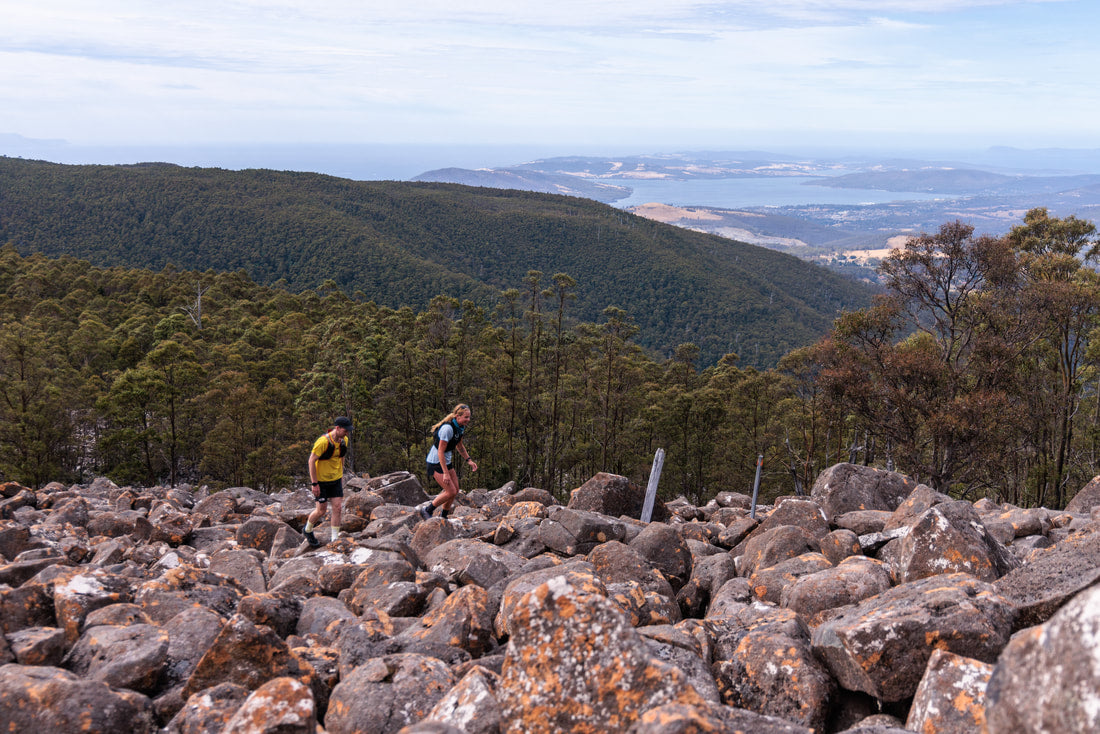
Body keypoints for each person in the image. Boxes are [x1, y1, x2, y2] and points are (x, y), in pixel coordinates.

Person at [417, 403, 477, 520]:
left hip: (446, 461)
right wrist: (445, 473)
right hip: (436, 462)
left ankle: (443, 516)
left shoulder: (460, 428)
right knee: (450, 492)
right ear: (457, 416)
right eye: (466, 417)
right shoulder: (447, 429)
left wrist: (469, 460)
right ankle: (427, 510)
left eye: (469, 417)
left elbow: (459, 446)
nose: (468, 420)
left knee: (455, 491)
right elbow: (440, 451)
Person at [304, 416, 352, 546]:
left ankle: (334, 539)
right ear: (337, 428)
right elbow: (311, 461)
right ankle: (307, 529)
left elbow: (341, 457)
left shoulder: (344, 441)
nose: (347, 433)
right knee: (321, 511)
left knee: (337, 507)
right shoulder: (323, 442)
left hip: (335, 479)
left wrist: (340, 474)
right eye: (345, 430)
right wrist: (314, 483)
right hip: (321, 481)